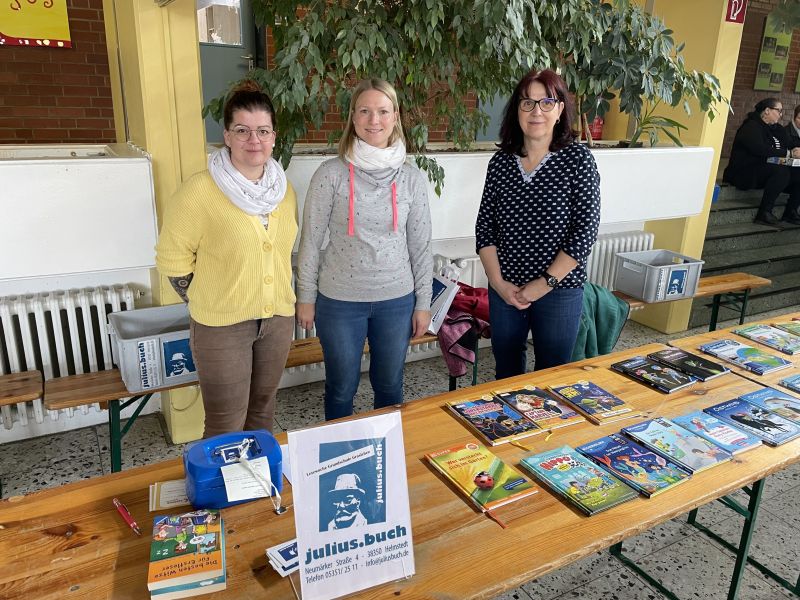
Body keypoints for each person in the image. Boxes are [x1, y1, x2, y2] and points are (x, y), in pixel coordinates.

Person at [155, 80, 297, 437]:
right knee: (225, 424)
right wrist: (207, 298)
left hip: (277, 320)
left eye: (263, 131)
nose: (254, 140)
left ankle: (255, 475)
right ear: (227, 136)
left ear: (274, 136)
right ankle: (220, 477)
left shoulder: (284, 191)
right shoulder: (199, 190)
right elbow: (172, 259)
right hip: (222, 326)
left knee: (262, 413)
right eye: (243, 130)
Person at [296, 78, 433, 421]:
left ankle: (383, 450)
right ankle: (339, 450)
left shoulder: (411, 178)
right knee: (341, 388)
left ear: (395, 116)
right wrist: (305, 297)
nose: (374, 120)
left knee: (389, 385)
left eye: (383, 111)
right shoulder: (330, 174)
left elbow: (420, 245)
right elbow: (310, 240)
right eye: (365, 111)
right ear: (353, 118)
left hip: (396, 301)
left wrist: (423, 303)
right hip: (339, 302)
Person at [476, 68, 601, 379]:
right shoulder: (501, 163)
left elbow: (584, 232)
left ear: (560, 110)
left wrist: (543, 284)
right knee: (506, 373)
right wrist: (498, 284)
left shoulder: (578, 160)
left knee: (552, 375)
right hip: (506, 289)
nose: (536, 111)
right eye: (527, 103)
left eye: (547, 102)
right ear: (516, 110)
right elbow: (485, 229)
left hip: (559, 290)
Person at [723, 98, 800, 226]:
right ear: (767, 110)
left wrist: (797, 150)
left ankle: (790, 212)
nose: (781, 114)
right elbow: (760, 149)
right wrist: (788, 153)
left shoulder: (777, 128)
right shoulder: (751, 126)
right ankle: (764, 212)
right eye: (779, 111)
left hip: (767, 170)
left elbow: (791, 144)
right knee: (781, 172)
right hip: (745, 171)